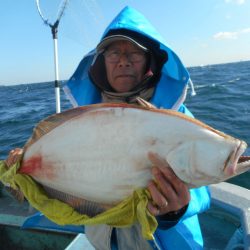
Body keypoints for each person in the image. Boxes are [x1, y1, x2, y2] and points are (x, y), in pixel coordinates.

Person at [6, 6, 210, 250]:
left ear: (149, 61)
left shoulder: (176, 118)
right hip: (101, 242)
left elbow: (204, 180)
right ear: (101, 62)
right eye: (113, 53)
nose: (123, 61)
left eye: (134, 53)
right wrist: (21, 171)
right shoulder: (78, 122)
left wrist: (177, 208)